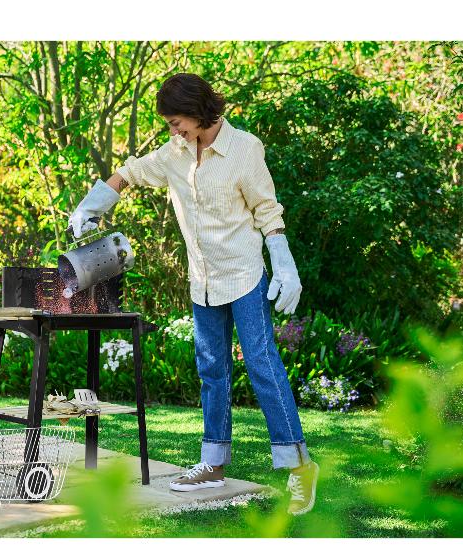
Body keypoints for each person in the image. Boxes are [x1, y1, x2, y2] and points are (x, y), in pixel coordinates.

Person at [68, 73, 319, 515]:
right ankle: (213, 464)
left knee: (262, 365)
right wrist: (89, 207)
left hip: (243, 276)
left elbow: (266, 210)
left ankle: (299, 466)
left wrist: (283, 262)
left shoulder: (245, 149)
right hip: (202, 280)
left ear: (199, 111)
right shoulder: (175, 154)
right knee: (211, 371)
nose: (173, 130)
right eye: (170, 124)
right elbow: (128, 173)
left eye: (176, 121)